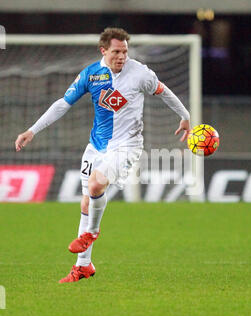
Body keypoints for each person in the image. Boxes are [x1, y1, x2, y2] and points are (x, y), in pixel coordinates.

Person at [15, 27, 191, 283]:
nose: (122, 57)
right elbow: (63, 103)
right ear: (104, 51)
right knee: (86, 203)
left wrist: (185, 117)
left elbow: (165, 93)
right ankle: (83, 266)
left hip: (127, 145)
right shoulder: (91, 74)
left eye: (125, 52)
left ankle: (92, 232)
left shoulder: (140, 73)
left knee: (97, 184)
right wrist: (32, 130)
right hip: (96, 146)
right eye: (117, 52)